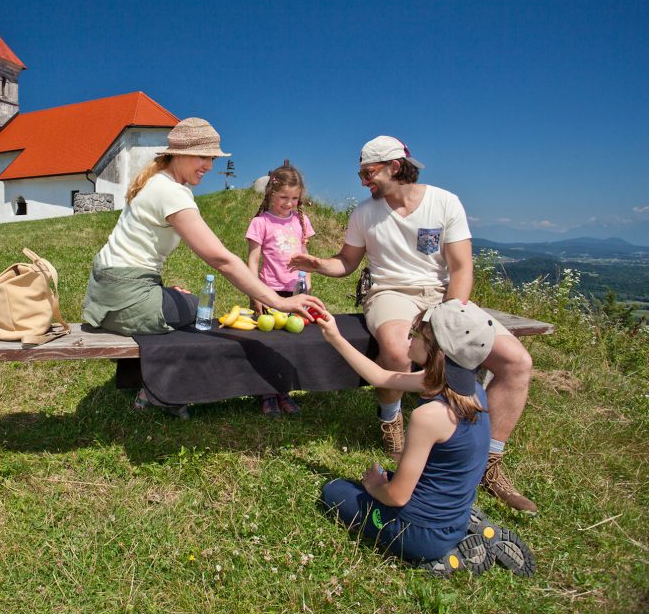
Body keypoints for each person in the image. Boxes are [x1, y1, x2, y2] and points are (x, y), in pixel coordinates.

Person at [288, 136, 537, 513]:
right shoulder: (364, 213)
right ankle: (392, 424)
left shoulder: (444, 202)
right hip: (390, 291)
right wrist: (319, 265)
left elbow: (461, 268)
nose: (362, 181)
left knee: (517, 361)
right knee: (395, 344)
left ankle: (489, 462)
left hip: (443, 295)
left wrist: (448, 319)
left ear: (394, 166)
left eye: (367, 172)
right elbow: (347, 262)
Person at [82, 117, 323, 415]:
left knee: (184, 304)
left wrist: (159, 291)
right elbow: (220, 258)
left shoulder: (156, 182)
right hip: (125, 296)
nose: (209, 165)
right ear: (179, 154)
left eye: (211, 158)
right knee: (198, 310)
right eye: (203, 156)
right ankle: (161, 391)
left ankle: (153, 379)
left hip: (107, 292)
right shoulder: (171, 192)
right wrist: (276, 301)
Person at [316, 300, 535, 577]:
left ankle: (443, 557)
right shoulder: (470, 389)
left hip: (416, 533)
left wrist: (373, 487)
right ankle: (463, 525)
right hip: (452, 514)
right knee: (394, 477)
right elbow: (381, 376)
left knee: (334, 491)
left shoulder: (430, 416)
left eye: (419, 335)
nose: (410, 337)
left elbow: (396, 496)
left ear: (440, 353)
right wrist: (335, 336)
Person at [245, 163, 316, 417]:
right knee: (268, 343)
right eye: (283, 197)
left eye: (295, 198)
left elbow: (306, 255)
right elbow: (252, 260)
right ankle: (266, 393)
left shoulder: (302, 221)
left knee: (290, 344)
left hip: (295, 293)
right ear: (270, 194)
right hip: (269, 292)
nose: (289, 203)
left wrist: (307, 282)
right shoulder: (261, 222)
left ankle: (283, 391)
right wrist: (254, 293)